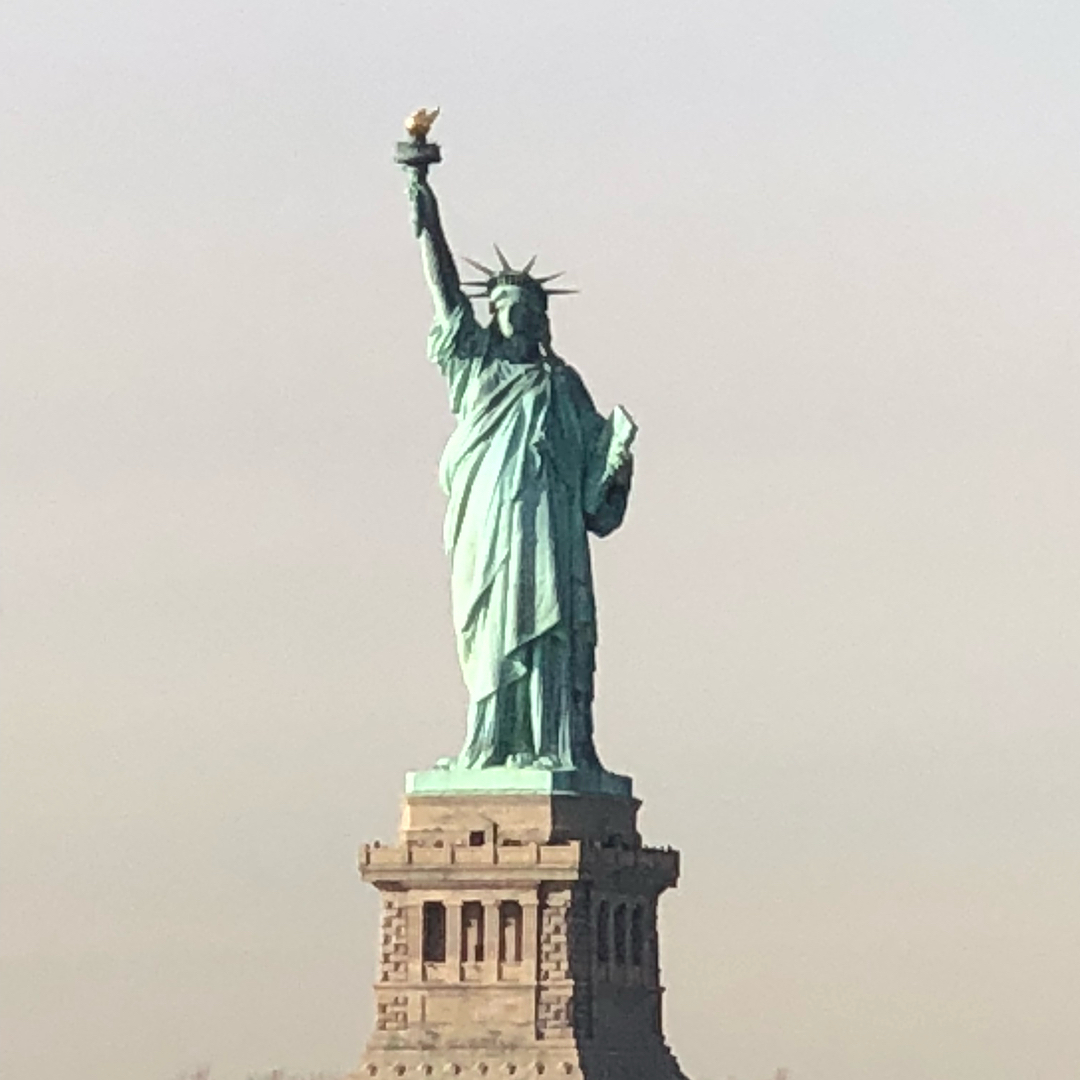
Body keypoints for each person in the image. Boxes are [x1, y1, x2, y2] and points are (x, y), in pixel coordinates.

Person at [402, 159, 635, 773]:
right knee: (492, 631)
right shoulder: (474, 368)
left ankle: (554, 745)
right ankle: (490, 743)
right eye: (503, 306)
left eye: (525, 308)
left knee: (551, 630)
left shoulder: (563, 384)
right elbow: (445, 291)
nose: (514, 316)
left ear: (542, 318)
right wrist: (425, 210)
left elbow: (595, 496)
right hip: (489, 520)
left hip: (551, 526)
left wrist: (616, 463)